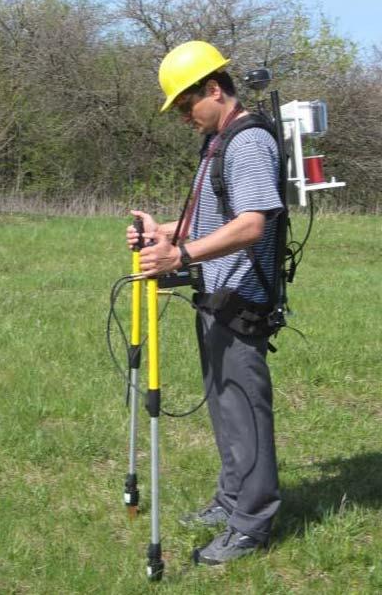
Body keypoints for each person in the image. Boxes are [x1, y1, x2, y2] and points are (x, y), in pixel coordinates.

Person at [126, 40, 282, 565]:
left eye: (187, 106)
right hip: (215, 294)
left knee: (245, 411)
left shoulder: (248, 142)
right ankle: (231, 499)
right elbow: (211, 220)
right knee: (224, 407)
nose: (184, 119)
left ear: (214, 90)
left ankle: (252, 523)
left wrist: (181, 255)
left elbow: (251, 224)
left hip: (243, 297)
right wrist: (163, 232)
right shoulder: (217, 143)